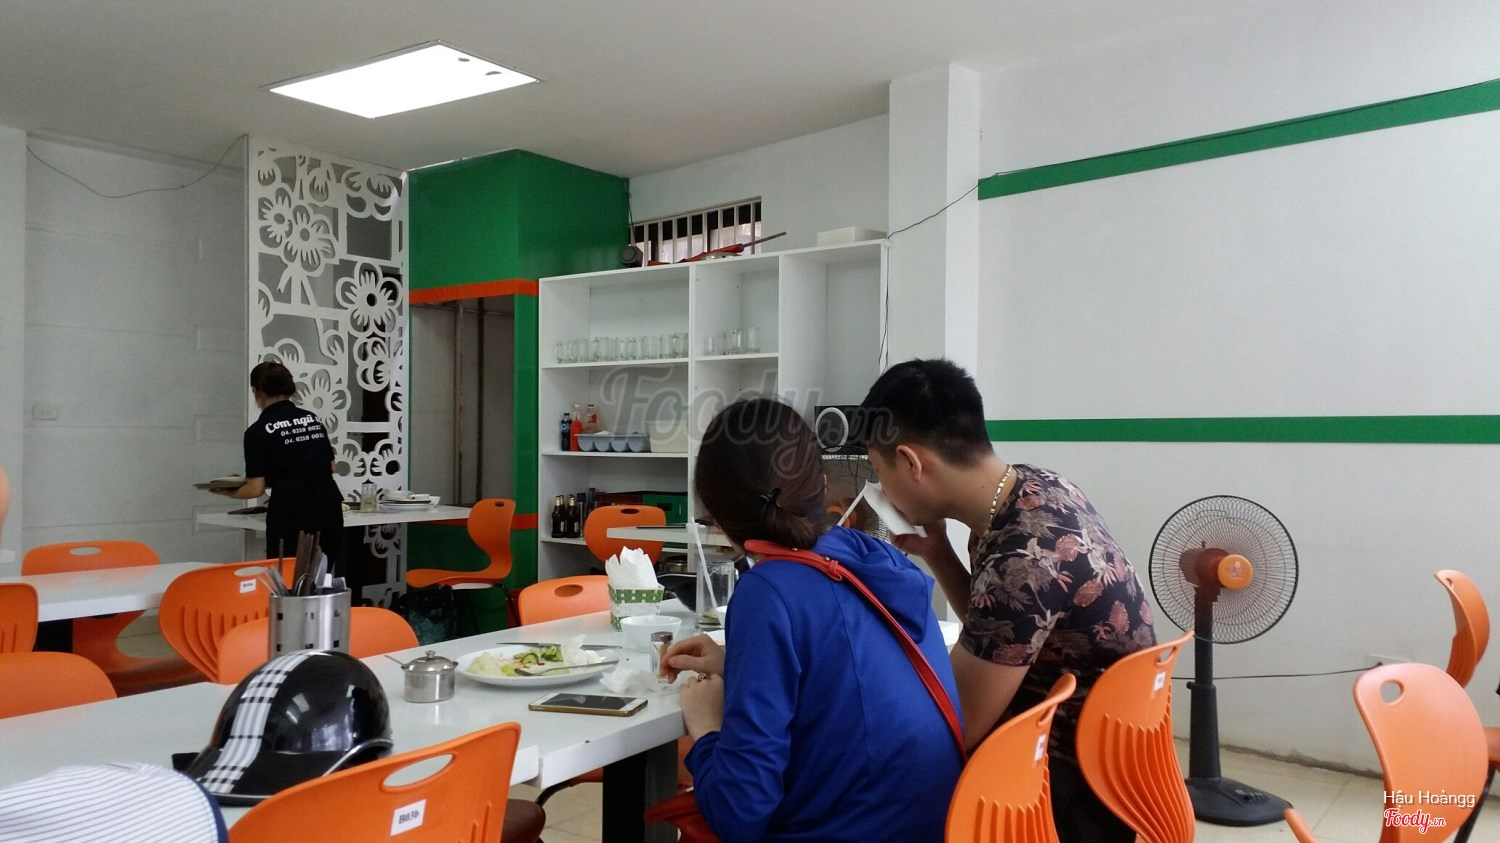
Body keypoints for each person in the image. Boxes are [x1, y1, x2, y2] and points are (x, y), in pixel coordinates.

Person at [859, 358, 1156, 843]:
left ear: (911, 463)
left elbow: (956, 726)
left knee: (878, 774)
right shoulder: (1034, 489)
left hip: (1066, 792)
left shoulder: (1022, 561)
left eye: (877, 469)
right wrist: (939, 553)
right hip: (1114, 759)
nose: (881, 489)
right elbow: (1002, 631)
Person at [658, 397, 962, 843]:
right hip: (938, 825)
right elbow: (848, 673)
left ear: (717, 520)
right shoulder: (874, 557)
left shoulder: (768, 591)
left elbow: (739, 812)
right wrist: (737, 663)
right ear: (821, 483)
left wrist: (706, 728)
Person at [215, 361, 343, 573]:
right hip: (328, 506)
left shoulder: (257, 431)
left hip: (291, 511)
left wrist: (228, 491)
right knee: (323, 575)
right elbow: (331, 466)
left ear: (257, 391)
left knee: (288, 577)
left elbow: (255, 488)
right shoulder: (311, 419)